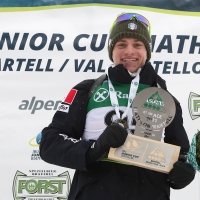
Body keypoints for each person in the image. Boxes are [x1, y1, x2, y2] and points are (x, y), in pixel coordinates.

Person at [39, 12, 195, 200]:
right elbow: (50, 143)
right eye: (121, 45)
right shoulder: (88, 90)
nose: (129, 51)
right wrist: (94, 149)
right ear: (112, 51)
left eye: (137, 45)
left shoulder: (165, 97)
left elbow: (180, 154)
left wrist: (183, 172)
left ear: (147, 51)